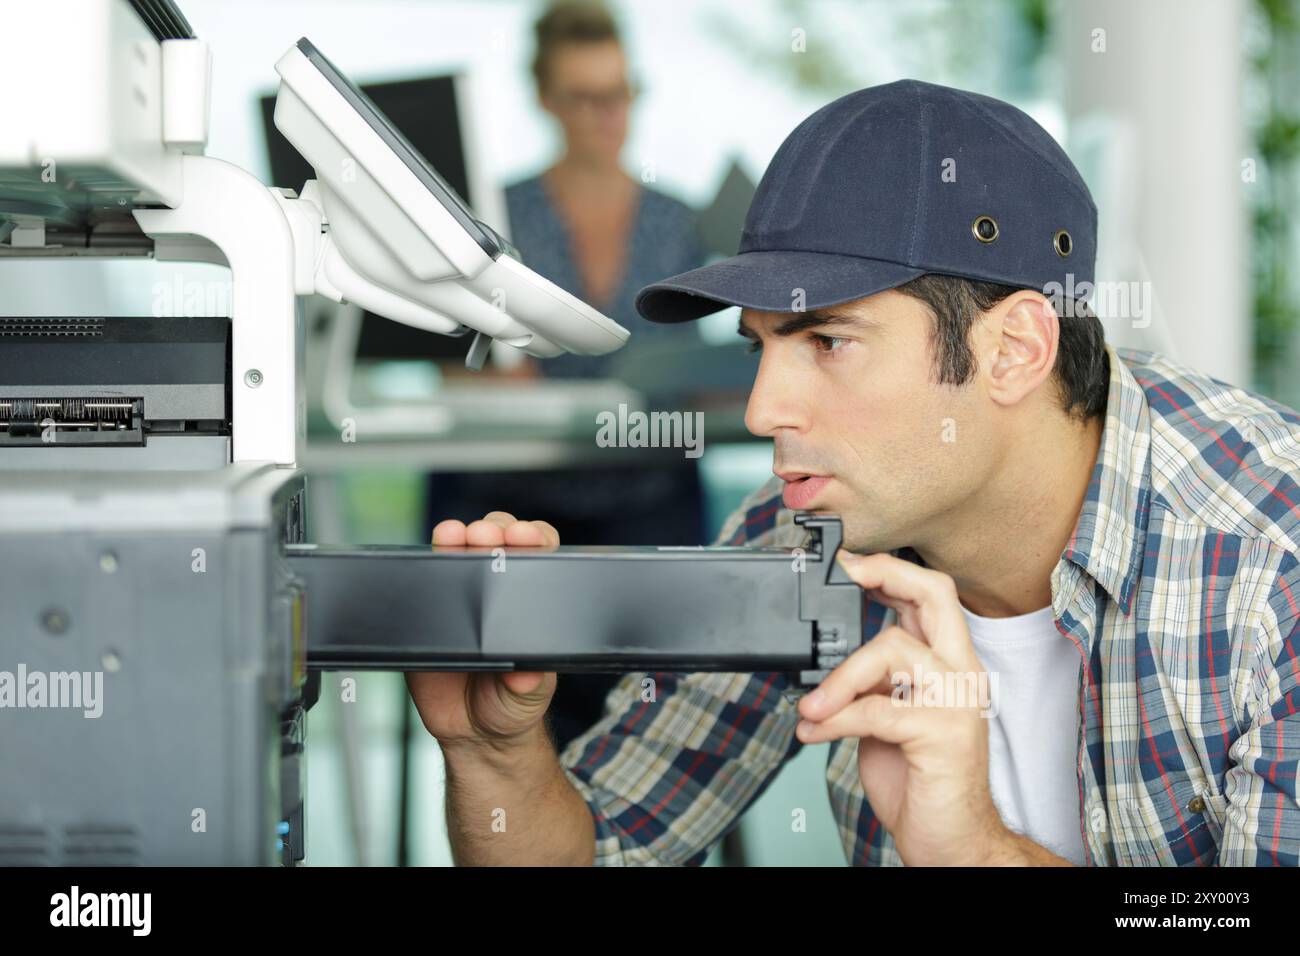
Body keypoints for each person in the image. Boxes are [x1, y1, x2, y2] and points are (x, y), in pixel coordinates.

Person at [408, 79, 1300, 866]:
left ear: (1014, 350)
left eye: (828, 341)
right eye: (760, 346)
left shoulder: (1271, 559)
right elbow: (607, 848)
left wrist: (975, 852)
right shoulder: (805, 530)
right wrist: (496, 755)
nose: (762, 413)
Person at [424, 1, 709, 753]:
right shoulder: (495, 219)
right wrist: (498, 388)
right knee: (518, 714)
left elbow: (691, 370)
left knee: (667, 710)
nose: (608, 115)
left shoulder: (678, 221)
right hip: (521, 504)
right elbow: (452, 374)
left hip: (646, 506)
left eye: (621, 93)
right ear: (546, 99)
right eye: (586, 97)